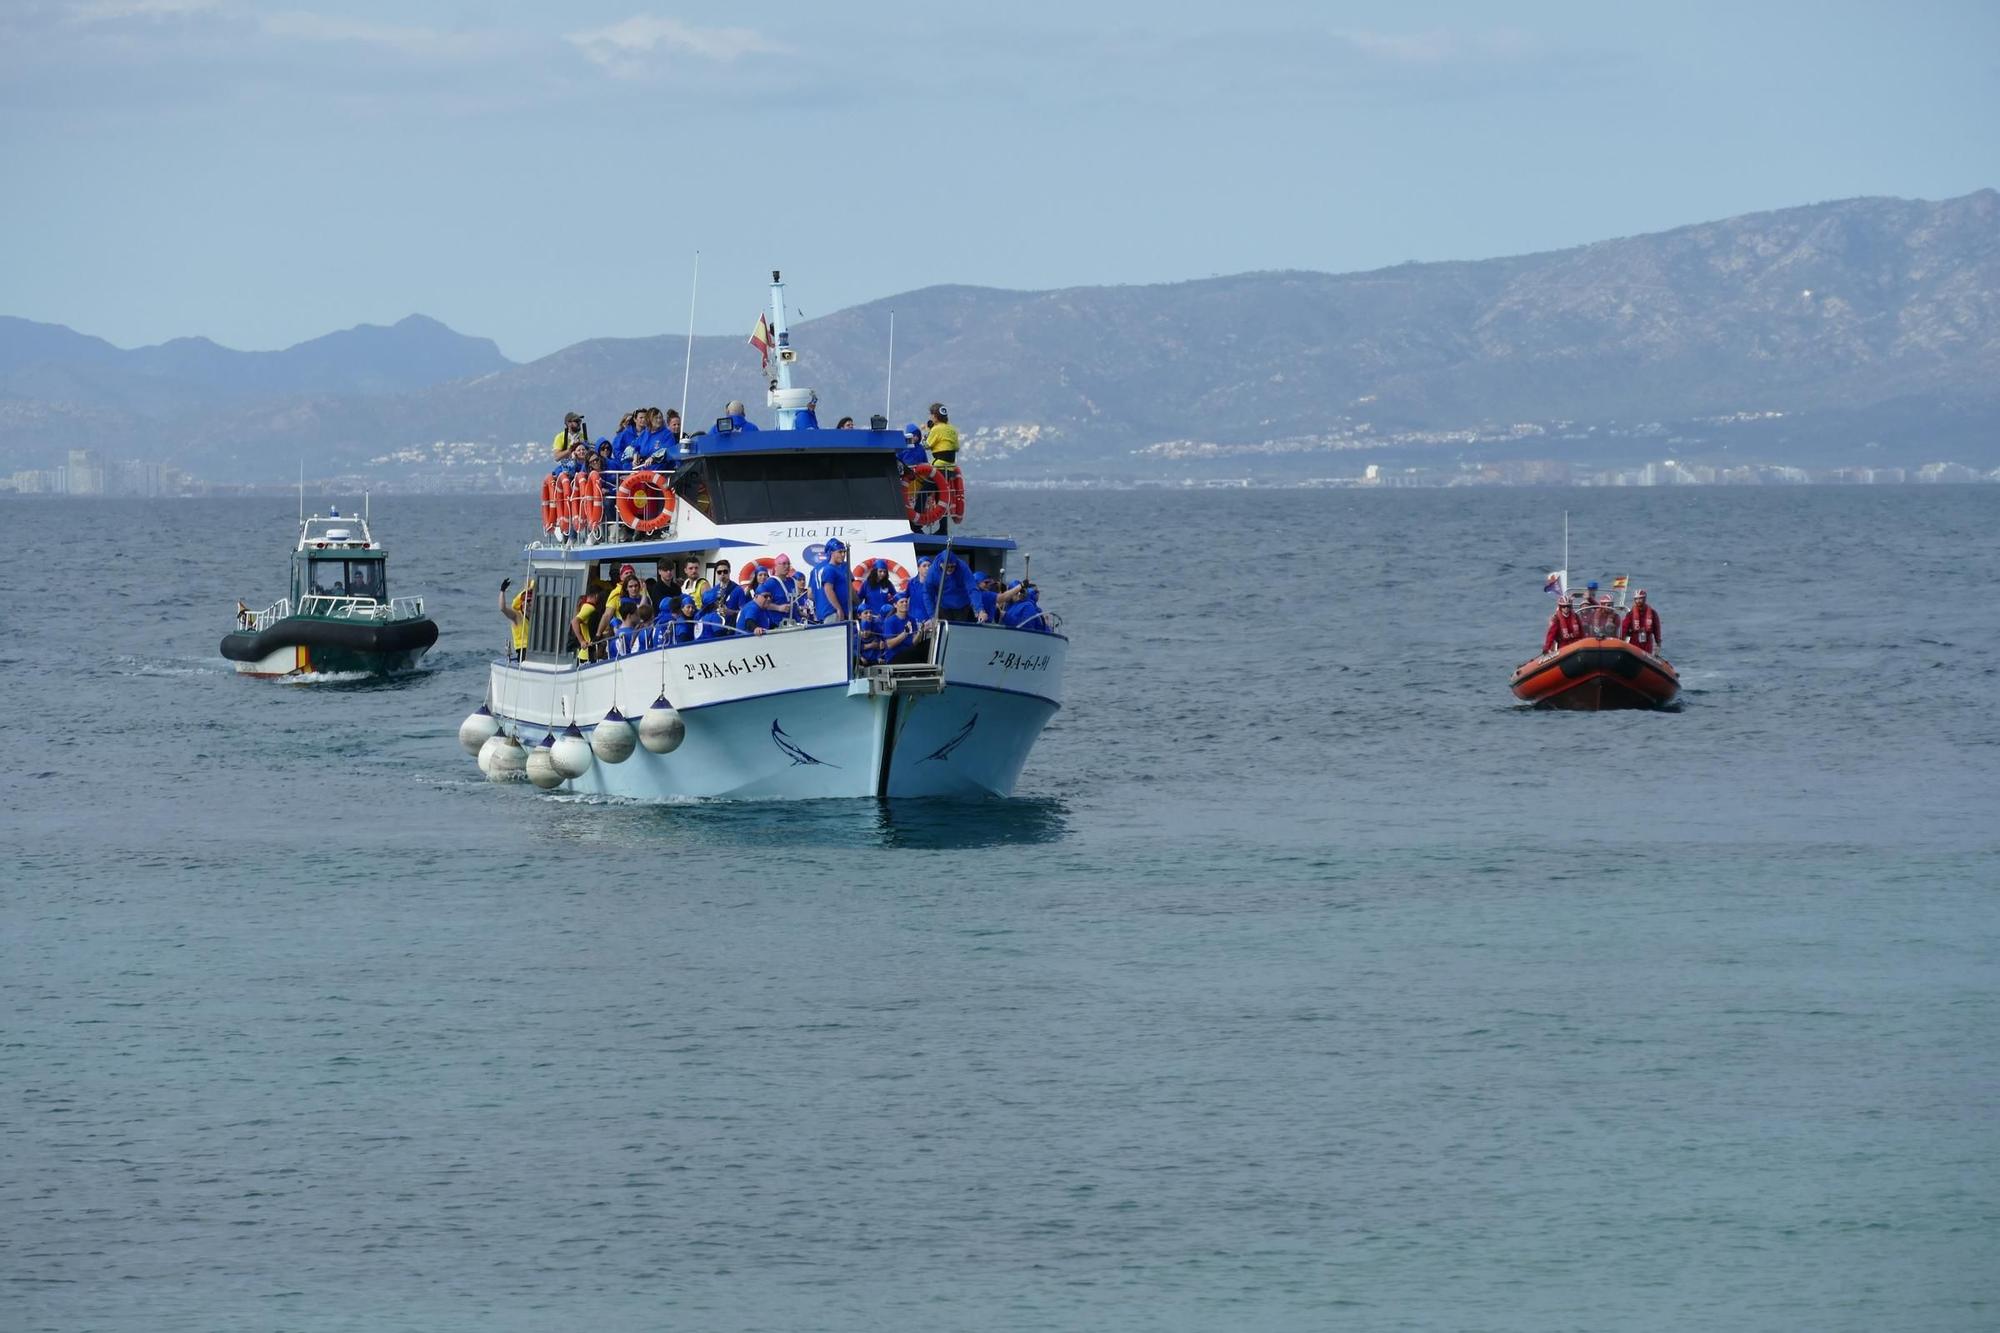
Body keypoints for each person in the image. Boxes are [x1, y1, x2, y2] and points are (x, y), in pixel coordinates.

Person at [809, 538, 853, 623]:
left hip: (826, 611)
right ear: (832, 553)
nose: (843, 555)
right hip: (833, 612)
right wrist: (838, 608)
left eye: (844, 552)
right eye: (840, 552)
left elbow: (810, 594)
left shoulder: (816, 569)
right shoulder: (833, 568)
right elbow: (828, 589)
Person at [876, 592, 918, 663]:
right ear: (895, 605)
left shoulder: (912, 619)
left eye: (906, 601)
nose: (905, 603)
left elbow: (914, 642)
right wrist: (904, 634)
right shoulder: (889, 621)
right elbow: (889, 644)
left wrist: (921, 631)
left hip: (909, 653)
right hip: (894, 656)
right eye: (902, 602)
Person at [499, 577, 534, 661]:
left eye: (530, 601)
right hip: (523, 651)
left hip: (535, 650)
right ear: (522, 604)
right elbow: (502, 608)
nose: (528, 604)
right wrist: (502, 591)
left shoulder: (535, 617)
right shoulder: (517, 616)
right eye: (526, 601)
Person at [1620, 589, 1663, 655]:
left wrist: (1658, 643)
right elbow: (1624, 628)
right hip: (1634, 641)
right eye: (1636, 599)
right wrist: (1621, 640)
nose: (1638, 601)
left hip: (1647, 642)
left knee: (1646, 656)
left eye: (1640, 599)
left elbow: (1657, 629)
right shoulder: (1630, 614)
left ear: (1644, 599)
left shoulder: (1652, 613)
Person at [572, 588, 606, 663]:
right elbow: (574, 622)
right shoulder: (589, 608)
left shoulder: (586, 606)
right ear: (596, 596)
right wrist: (582, 641)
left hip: (586, 652)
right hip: (588, 652)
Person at [925, 402, 960, 473]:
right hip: (951, 466)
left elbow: (926, 446)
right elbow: (957, 448)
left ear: (934, 416)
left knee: (923, 482)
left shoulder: (936, 429)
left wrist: (927, 435)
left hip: (939, 465)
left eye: (931, 415)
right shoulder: (952, 429)